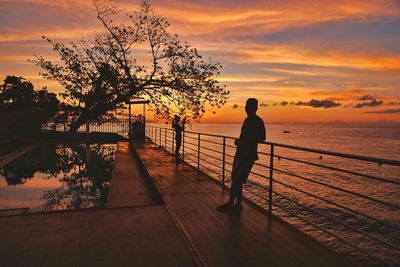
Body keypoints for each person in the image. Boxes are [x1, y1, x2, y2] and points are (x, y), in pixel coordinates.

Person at [217, 98, 266, 212]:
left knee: (237, 180)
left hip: (248, 155)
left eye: (250, 106)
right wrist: (239, 141)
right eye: (246, 106)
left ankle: (231, 204)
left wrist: (244, 141)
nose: (247, 108)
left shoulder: (258, 121)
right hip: (240, 153)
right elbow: (245, 136)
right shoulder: (247, 120)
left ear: (256, 108)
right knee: (236, 180)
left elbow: (262, 138)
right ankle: (237, 204)